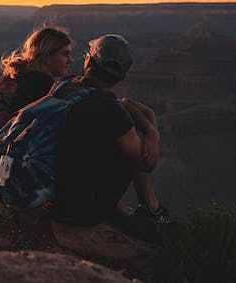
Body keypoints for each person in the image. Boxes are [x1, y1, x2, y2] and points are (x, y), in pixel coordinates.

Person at [52, 34, 168, 239]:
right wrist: (151, 129)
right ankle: (152, 209)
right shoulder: (108, 108)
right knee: (133, 144)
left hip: (49, 195)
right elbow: (147, 162)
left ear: (88, 61)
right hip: (77, 211)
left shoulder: (64, 86)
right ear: (120, 76)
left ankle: (147, 209)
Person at [0, 27, 73, 193]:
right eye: (64, 54)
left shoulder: (10, 77)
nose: (70, 60)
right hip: (8, 182)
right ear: (47, 55)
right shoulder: (41, 84)